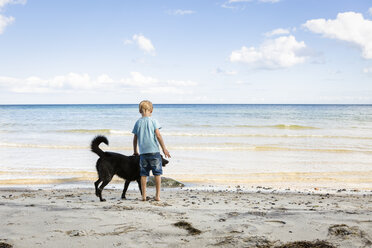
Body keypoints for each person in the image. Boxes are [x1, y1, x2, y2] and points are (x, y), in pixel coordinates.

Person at [132, 100, 171, 201]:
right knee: (157, 174)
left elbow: (135, 138)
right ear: (151, 110)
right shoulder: (154, 121)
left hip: (143, 153)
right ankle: (157, 196)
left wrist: (135, 150)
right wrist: (164, 148)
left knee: (143, 174)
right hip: (154, 152)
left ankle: (144, 196)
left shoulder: (138, 122)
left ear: (140, 111)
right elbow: (158, 135)